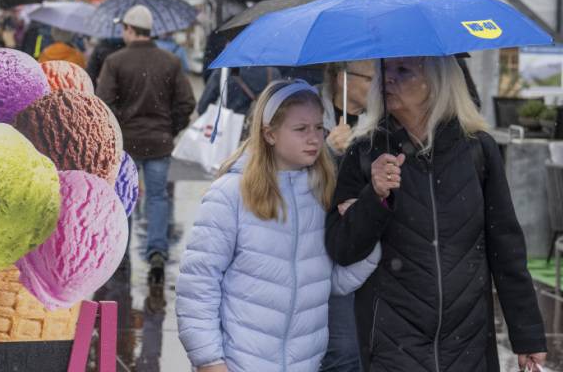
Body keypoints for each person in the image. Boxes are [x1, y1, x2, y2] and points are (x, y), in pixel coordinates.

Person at [326, 56, 547, 371]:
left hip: (469, 344)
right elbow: (341, 249)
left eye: (403, 71)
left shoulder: (478, 150)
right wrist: (374, 196)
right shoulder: (363, 153)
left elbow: (506, 249)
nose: (388, 79)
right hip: (392, 345)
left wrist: (528, 336)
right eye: (385, 70)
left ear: (437, 81)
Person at [177, 80, 379, 372]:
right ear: (269, 133)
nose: (314, 138)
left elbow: (332, 282)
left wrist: (366, 231)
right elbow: (197, 285)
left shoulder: (323, 194)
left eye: (319, 128)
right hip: (238, 364)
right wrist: (210, 361)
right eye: (301, 129)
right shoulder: (230, 194)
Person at [96, 4, 196, 284]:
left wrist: (118, 131)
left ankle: (120, 256)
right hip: (160, 143)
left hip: (125, 146)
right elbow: (187, 102)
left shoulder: (115, 62)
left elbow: (103, 105)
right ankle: (157, 253)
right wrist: (170, 128)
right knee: (157, 199)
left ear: (129, 29)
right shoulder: (170, 61)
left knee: (124, 201)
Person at [317, 60, 374, 372]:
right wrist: (327, 152)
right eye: (369, 78)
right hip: (325, 252)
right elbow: (286, 181)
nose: (376, 85)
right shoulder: (309, 113)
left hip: (368, 255)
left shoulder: (380, 122)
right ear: (342, 79)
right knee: (344, 351)